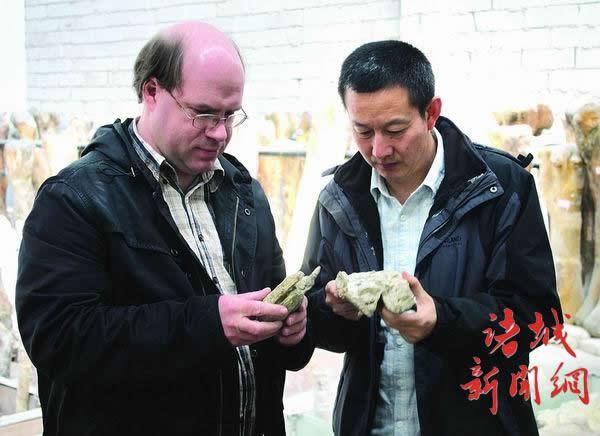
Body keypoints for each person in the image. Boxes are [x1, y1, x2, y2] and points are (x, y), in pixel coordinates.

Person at [16, 21, 312, 436]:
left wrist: (292, 330)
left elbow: (272, 317)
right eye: (204, 113)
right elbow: (59, 340)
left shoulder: (242, 192)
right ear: (152, 91)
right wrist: (208, 324)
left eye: (230, 115)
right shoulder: (74, 198)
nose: (220, 132)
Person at [302, 40, 562, 436]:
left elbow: (538, 319)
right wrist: (333, 310)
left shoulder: (501, 187)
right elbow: (320, 317)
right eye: (362, 131)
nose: (379, 149)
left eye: (395, 130)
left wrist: (441, 320)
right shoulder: (338, 198)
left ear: (430, 113)